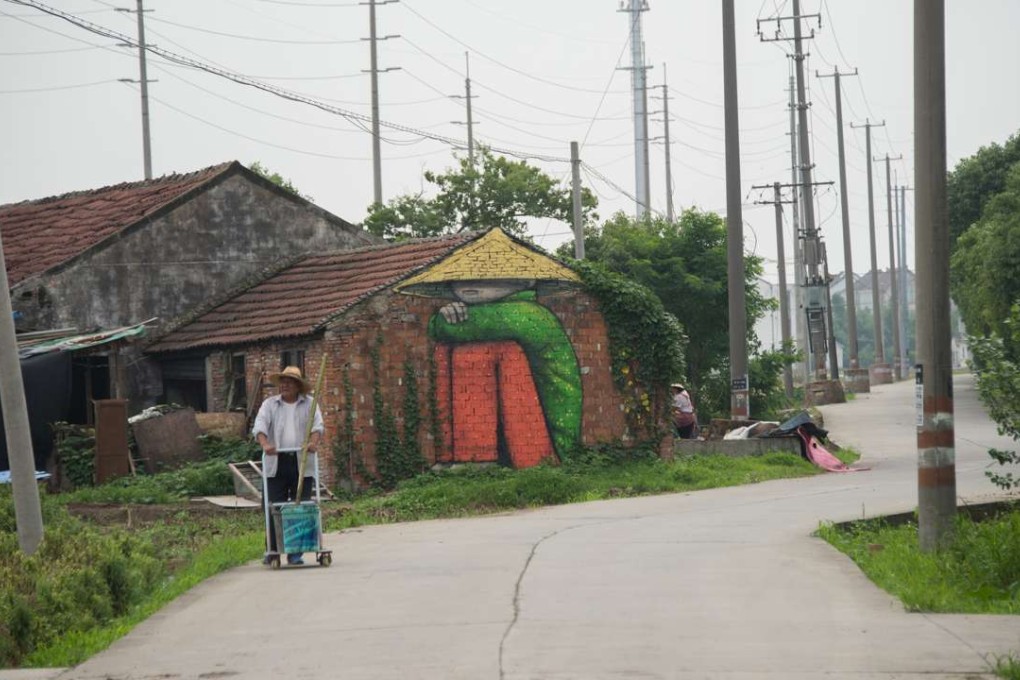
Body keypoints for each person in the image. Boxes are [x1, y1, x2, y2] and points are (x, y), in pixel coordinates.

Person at [252, 365, 324, 565]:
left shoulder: (310, 404)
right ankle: (273, 550)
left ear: (298, 386)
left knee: (300, 505)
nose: (284, 385)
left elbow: (318, 426)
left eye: (289, 382)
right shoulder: (270, 405)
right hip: (277, 461)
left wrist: (313, 442)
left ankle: (295, 552)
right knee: (273, 505)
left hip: (301, 461)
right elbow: (259, 426)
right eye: (282, 381)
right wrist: (265, 444)